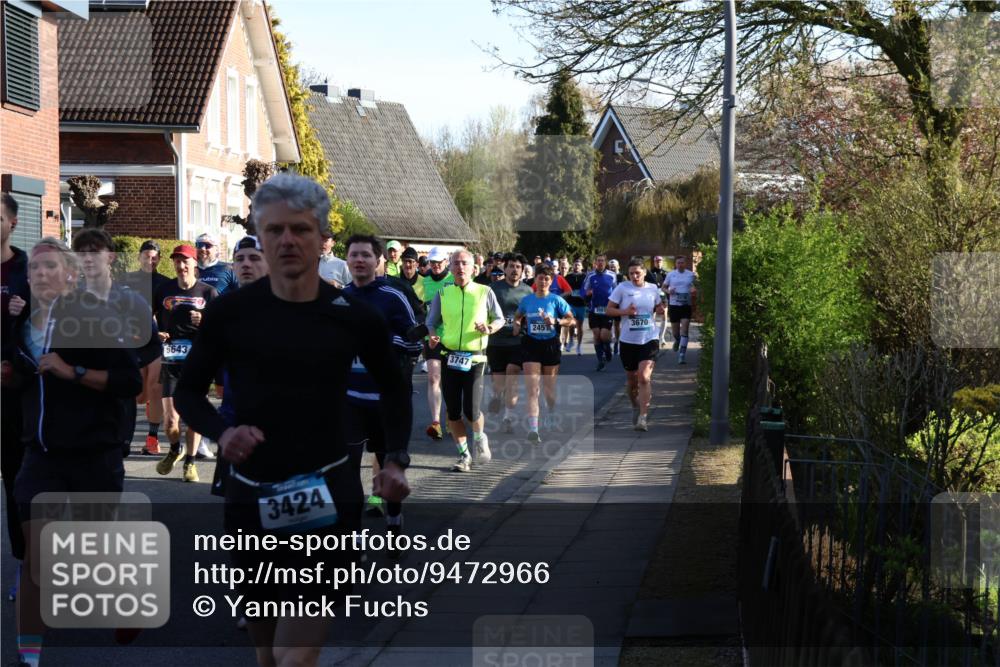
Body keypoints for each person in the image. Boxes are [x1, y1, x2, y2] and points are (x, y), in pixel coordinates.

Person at [174, 173, 410, 667]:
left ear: (323, 239)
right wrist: (223, 432)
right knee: (267, 655)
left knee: (295, 657)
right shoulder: (231, 312)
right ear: (259, 236)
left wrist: (394, 459)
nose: (286, 240)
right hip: (250, 487)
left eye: (300, 230)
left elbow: (394, 386)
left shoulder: (352, 315)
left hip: (325, 488)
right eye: (274, 230)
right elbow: (189, 392)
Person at [5, 238, 141, 667]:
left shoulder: (94, 317)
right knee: (36, 555)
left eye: (50, 268)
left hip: (92, 453)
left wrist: (74, 371)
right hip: (40, 455)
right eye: (35, 269)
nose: (41, 275)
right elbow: (27, 379)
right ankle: (29, 656)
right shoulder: (21, 323)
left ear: (69, 275)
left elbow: (130, 382)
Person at [343, 235, 420, 552]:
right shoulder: (339, 300)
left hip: (387, 403)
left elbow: (414, 342)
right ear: (347, 261)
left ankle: (394, 523)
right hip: (350, 401)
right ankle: (352, 541)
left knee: (389, 468)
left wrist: (383, 345)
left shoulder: (393, 296)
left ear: (378, 262)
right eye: (354, 255)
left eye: (365, 255)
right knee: (346, 475)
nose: (359, 260)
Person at [71, 229, 160, 455]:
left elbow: (152, 345)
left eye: (94, 252)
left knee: (108, 472)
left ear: (110, 257)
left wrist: (128, 360)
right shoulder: (68, 301)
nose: (88, 258)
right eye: (81, 253)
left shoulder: (131, 301)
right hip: (79, 399)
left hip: (117, 401)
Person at [425, 249, 505, 472]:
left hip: (475, 358)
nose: (460, 267)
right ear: (450, 268)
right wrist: (432, 335)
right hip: (449, 357)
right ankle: (464, 455)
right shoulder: (443, 293)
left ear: (473, 268)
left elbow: (499, 318)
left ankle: (479, 437)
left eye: (464, 263)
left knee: (471, 409)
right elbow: (431, 321)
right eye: (456, 263)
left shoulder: (484, 291)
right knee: (452, 411)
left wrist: (489, 328)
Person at [211, 235, 270, 502]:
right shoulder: (223, 311)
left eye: (255, 258)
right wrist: (219, 431)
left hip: (281, 433)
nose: (246, 264)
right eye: (239, 259)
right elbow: (189, 390)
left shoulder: (292, 307)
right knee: (237, 521)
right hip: (233, 426)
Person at [152, 244, 218, 482]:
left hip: (197, 362)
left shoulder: (208, 293)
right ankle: (174, 448)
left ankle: (190, 462)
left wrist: (204, 320)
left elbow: (219, 329)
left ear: (194, 264)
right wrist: (157, 332)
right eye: (177, 262)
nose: (181, 266)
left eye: (185, 262)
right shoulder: (163, 289)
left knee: (194, 416)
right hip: (170, 358)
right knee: (171, 421)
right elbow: (149, 316)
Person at [1, 192, 30, 600]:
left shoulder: (27, 269)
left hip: (16, 391)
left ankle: (27, 564)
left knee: (18, 479)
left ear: (11, 223)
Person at [512, 264, 575, 443]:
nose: (543, 281)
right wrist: (517, 324)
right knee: (532, 388)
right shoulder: (527, 300)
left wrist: (556, 321)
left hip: (550, 345)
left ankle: (552, 414)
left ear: (551, 280)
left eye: (547, 278)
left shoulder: (556, 300)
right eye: (540, 278)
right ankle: (533, 429)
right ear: (535, 279)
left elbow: (572, 320)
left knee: (548, 390)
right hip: (531, 344)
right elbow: (517, 316)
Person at [120, 240, 170, 454]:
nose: (150, 260)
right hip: (133, 339)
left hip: (156, 342)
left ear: (159, 259)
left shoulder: (166, 283)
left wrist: (163, 330)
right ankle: (124, 436)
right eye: (146, 256)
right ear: (139, 257)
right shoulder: (126, 280)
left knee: (155, 388)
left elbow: (167, 313)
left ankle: (152, 438)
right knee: (136, 393)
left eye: (154, 257)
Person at [607, 258, 666, 431]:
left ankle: (643, 417)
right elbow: (608, 309)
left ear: (644, 273)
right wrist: (625, 312)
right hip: (628, 340)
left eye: (637, 273)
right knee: (632, 381)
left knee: (644, 377)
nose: (634, 276)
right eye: (631, 273)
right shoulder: (622, 288)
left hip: (649, 338)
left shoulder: (653, 289)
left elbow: (658, 307)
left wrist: (660, 310)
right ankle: (634, 405)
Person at [486, 253, 532, 433]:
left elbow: (532, 313)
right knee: (499, 384)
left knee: (512, 375)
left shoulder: (527, 291)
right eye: (511, 266)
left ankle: (508, 416)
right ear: (504, 268)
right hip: (496, 341)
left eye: (518, 267)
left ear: (522, 270)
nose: (514, 270)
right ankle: (496, 395)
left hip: (517, 341)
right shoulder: (493, 289)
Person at [419, 247, 454, 437]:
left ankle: (451, 416)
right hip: (432, 335)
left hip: (452, 337)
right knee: (433, 377)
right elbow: (420, 305)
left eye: (439, 262)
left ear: (446, 262)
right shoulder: (424, 281)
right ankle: (435, 422)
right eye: (433, 262)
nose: (436, 265)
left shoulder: (455, 280)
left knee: (449, 380)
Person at [583, 253, 617, 371]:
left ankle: (607, 349)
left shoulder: (612, 275)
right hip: (594, 310)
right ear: (595, 263)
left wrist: (616, 305)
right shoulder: (590, 276)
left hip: (607, 309)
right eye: (598, 261)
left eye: (602, 260)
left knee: (604, 336)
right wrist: (587, 294)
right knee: (597, 336)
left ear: (605, 262)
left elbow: (617, 291)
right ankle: (600, 360)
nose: (600, 263)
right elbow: (584, 290)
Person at [663, 255, 698, 364]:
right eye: (678, 263)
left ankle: (682, 355)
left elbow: (696, 287)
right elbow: (663, 287)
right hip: (674, 306)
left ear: (685, 263)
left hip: (686, 306)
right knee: (675, 332)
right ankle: (677, 340)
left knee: (685, 329)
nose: (680, 264)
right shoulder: (671, 274)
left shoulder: (691, 275)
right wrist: (669, 291)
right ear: (675, 264)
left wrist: (694, 289)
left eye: (682, 262)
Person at [562, 259, 588, 355]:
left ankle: (579, 346)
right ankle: (571, 340)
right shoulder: (568, 277)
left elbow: (588, 288)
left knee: (579, 326)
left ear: (582, 267)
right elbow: (564, 288)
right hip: (570, 303)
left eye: (578, 265)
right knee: (571, 322)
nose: (576, 267)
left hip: (581, 304)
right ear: (572, 266)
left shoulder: (585, 277)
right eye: (575, 265)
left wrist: (586, 295)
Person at [646, 255, 670, 347]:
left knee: (664, 316)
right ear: (654, 262)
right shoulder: (650, 273)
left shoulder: (666, 273)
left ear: (662, 262)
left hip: (663, 297)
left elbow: (669, 285)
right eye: (657, 261)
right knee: (652, 317)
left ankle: (662, 337)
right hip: (652, 297)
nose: (658, 263)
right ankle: (652, 336)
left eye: (660, 261)